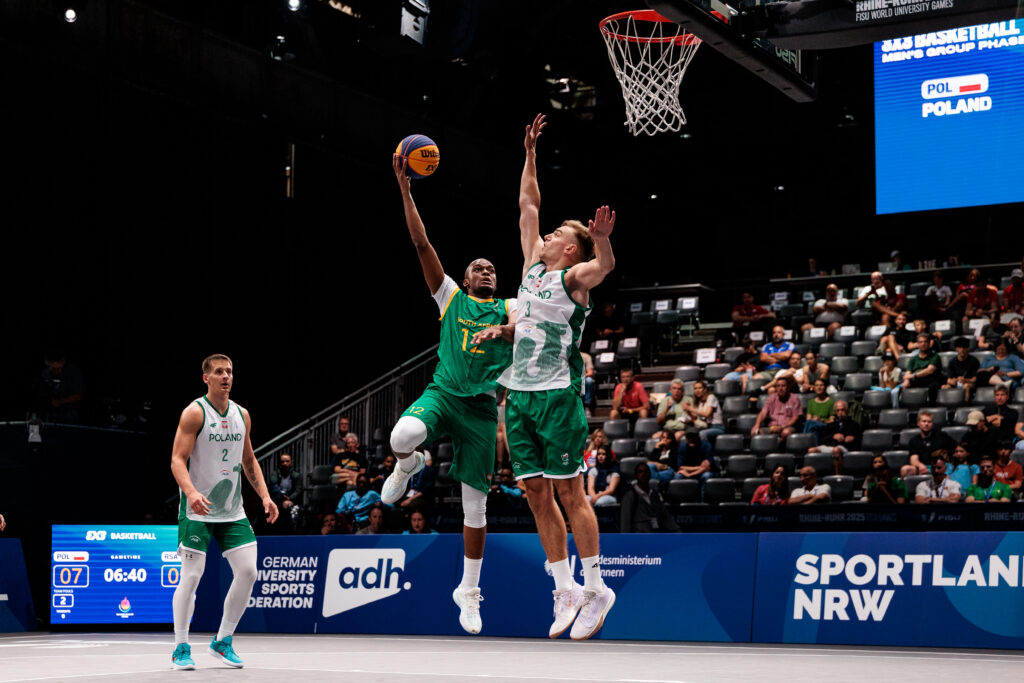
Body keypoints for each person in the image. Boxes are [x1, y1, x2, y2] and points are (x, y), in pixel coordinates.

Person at [379, 152, 517, 636]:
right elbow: (420, 242)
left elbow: (525, 326)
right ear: (465, 275)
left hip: (481, 409)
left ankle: (470, 589)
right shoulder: (450, 297)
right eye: (477, 266)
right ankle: (407, 465)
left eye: (491, 268)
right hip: (443, 394)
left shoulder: (511, 307)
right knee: (402, 435)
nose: (485, 270)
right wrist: (406, 190)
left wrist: (504, 330)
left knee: (474, 506)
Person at [490, 112, 616, 640]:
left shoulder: (573, 278)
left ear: (568, 248)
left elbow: (602, 267)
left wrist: (602, 240)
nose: (543, 234)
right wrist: (530, 155)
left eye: (556, 234)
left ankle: (596, 586)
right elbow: (528, 203)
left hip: (558, 397)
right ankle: (562, 586)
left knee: (570, 494)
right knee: (535, 494)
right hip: (518, 397)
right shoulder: (531, 268)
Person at [169, 354, 278, 670]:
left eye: (229, 372)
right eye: (219, 372)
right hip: (197, 510)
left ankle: (222, 641)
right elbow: (177, 459)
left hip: (233, 510)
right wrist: (190, 493)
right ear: (206, 378)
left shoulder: (242, 415)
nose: (225, 377)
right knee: (191, 577)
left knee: (248, 572)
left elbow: (249, 460)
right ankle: (180, 648)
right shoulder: (194, 413)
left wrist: (266, 497)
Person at [620, 463, 679, 533]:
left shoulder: (654, 494)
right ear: (636, 475)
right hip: (639, 538)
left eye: (646, 471)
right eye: (640, 472)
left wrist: (678, 532)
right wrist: (625, 539)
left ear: (650, 474)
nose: (644, 474)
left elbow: (665, 516)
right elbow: (625, 521)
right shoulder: (630, 495)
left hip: (655, 536)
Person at [805, 400, 861, 474]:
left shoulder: (854, 424)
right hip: (830, 446)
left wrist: (853, 438)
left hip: (845, 447)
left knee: (836, 450)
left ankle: (837, 477)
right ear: (835, 412)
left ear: (847, 410)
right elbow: (821, 440)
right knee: (811, 450)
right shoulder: (830, 425)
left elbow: (860, 439)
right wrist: (833, 436)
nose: (840, 412)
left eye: (842, 410)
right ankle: (813, 476)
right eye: (838, 410)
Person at [33, 350, 85, 424]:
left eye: (60, 367)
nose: (58, 370)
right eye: (54, 368)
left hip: (69, 413)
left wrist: (60, 401)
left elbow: (78, 395)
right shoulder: (45, 374)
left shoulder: (73, 372)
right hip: (49, 414)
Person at [901, 411, 955, 476]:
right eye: (924, 421)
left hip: (941, 466)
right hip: (924, 467)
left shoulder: (942, 436)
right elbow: (914, 459)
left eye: (929, 422)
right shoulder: (914, 441)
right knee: (905, 469)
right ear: (918, 423)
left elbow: (955, 449)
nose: (926, 424)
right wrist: (921, 466)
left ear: (932, 424)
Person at [751, 376, 802, 443]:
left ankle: (779, 449)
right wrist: (757, 424)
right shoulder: (771, 398)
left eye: (783, 386)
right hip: (772, 427)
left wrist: (783, 426)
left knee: (786, 432)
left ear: (788, 387)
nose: (780, 388)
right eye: (778, 386)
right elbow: (763, 413)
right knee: (755, 432)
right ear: (776, 388)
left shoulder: (794, 398)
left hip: (787, 426)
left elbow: (795, 417)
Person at [900, 333, 945, 403]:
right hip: (918, 380)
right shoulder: (913, 359)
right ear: (917, 344)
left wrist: (913, 375)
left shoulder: (935, 356)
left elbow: (930, 370)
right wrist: (907, 380)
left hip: (931, 379)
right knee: (901, 387)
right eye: (920, 342)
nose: (923, 344)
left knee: (933, 386)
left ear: (929, 343)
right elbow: (908, 373)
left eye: (925, 342)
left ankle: (932, 406)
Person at [268, 452, 303, 530]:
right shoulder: (275, 473)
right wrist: (281, 498)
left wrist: (289, 498)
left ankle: (293, 532)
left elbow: (298, 490)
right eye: (282, 461)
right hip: (277, 500)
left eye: (287, 461)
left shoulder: (296, 475)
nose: (285, 463)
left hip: (291, 501)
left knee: (294, 510)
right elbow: (273, 487)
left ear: (291, 462)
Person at [943, 337, 980, 402]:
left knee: (966, 386)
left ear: (968, 348)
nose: (962, 350)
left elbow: (975, 379)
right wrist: (955, 381)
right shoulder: (952, 362)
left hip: (969, 383)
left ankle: (966, 404)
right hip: (956, 383)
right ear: (956, 349)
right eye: (960, 347)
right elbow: (949, 380)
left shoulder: (974, 361)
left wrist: (965, 380)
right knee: (944, 387)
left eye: (964, 347)